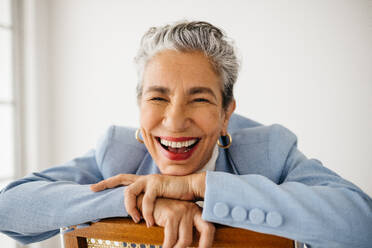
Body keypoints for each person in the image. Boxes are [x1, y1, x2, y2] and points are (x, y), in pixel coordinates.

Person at [0, 20, 371, 248]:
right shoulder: (117, 150)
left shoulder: (271, 150)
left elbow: (360, 225)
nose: (175, 122)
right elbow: (10, 208)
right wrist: (140, 201)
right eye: (158, 97)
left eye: (199, 99)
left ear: (226, 114)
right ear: (139, 108)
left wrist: (200, 188)